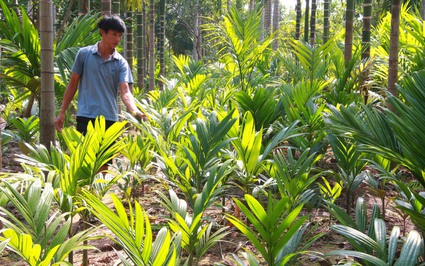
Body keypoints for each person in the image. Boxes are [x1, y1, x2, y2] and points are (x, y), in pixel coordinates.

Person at [55, 15, 145, 173]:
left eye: (120, 36)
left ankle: (99, 194)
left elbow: (125, 92)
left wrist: (134, 110)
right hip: (85, 115)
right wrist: (62, 111)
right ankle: (86, 193)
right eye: (114, 34)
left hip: (109, 118)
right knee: (84, 161)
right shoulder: (84, 54)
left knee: (104, 164)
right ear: (102, 32)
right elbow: (72, 85)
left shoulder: (121, 62)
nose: (117, 39)